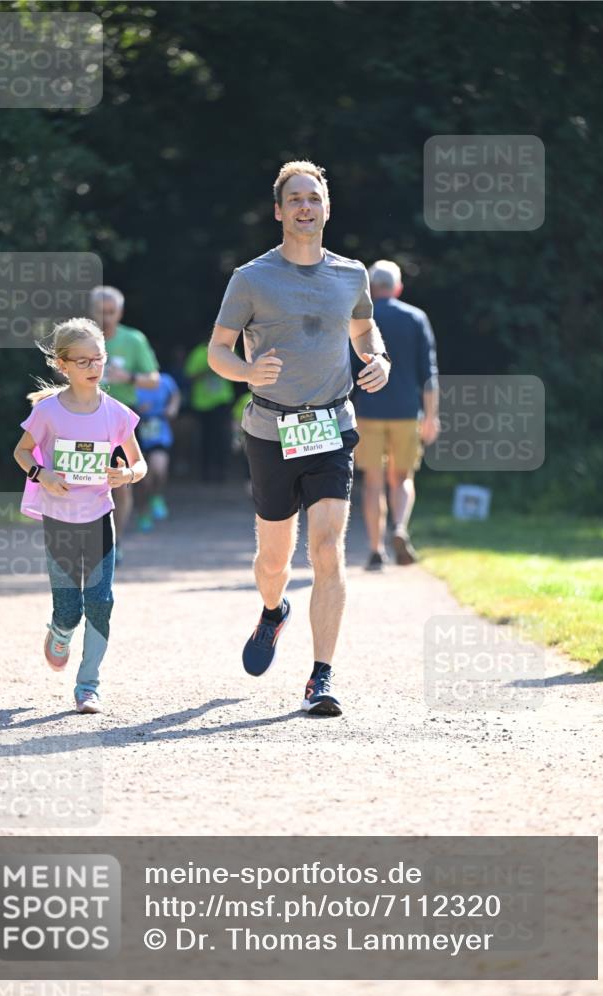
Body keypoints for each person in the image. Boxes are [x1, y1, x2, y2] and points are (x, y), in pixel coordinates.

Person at [208, 160, 390, 717]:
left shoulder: (352, 275)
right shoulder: (251, 278)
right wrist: (246, 371)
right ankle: (272, 611)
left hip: (332, 425)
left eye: (314, 197)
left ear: (327, 207)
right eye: (295, 199)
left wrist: (376, 357)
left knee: (328, 547)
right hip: (271, 428)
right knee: (273, 560)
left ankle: (322, 677)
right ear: (279, 211)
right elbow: (218, 350)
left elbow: (362, 329)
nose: (305, 207)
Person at [13, 317, 147, 714]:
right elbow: (21, 452)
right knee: (70, 609)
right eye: (83, 361)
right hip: (59, 520)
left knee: (101, 602)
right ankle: (59, 630)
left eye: (99, 359)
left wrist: (125, 474)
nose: (93, 368)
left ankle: (88, 686)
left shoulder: (118, 413)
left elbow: (139, 465)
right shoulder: (49, 412)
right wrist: (43, 474)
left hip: (99, 516)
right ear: (62, 364)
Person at [354, 260, 439, 570]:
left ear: (371, 288)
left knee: (373, 482)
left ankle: (376, 550)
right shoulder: (416, 318)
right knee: (402, 477)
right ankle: (400, 527)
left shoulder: (362, 320)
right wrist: (431, 416)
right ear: (399, 287)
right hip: (406, 412)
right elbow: (429, 373)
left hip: (368, 411)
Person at [90, 285, 159, 562]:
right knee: (83, 483)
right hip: (84, 416)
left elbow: (154, 380)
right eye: (100, 312)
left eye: (111, 312)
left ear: (120, 312)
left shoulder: (133, 340)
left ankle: (113, 544)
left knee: (120, 484)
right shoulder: (79, 337)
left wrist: (128, 378)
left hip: (120, 419)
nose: (106, 318)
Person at [133, 372, 181, 531]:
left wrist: (172, 408)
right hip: (135, 435)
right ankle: (143, 512)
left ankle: (157, 496)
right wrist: (135, 410)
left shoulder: (165, 380)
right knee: (142, 482)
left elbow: (175, 394)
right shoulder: (128, 380)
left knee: (159, 469)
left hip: (159, 432)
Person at [184, 342, 234, 482]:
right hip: (203, 404)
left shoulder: (229, 350)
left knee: (222, 438)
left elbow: (240, 370)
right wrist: (208, 370)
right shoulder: (198, 353)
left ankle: (221, 471)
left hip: (222, 402)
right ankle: (206, 472)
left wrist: (221, 369)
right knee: (207, 439)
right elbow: (189, 376)